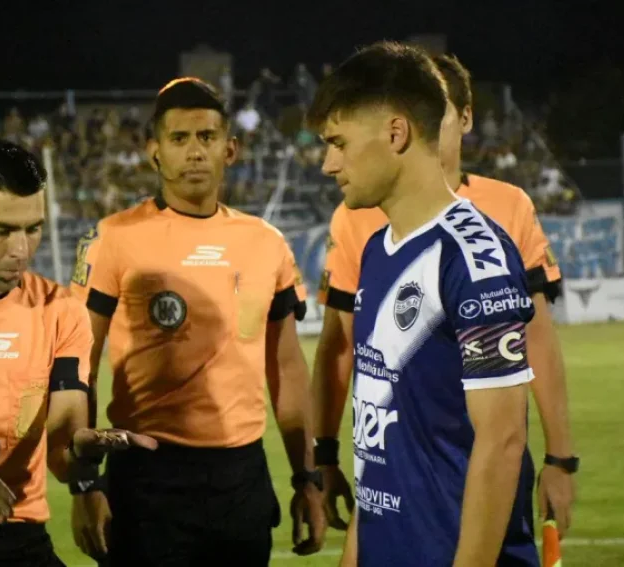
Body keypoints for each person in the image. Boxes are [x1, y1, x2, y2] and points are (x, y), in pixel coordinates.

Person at [311, 52, 577, 538]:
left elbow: (504, 429)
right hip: (389, 519)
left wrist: (560, 456)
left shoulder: (481, 246)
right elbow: (351, 368)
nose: (329, 165)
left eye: (338, 143)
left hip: (455, 517)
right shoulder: (373, 240)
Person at [69, 77, 327, 566]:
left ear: (230, 149)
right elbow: (79, 364)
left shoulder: (266, 243)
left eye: (206, 137)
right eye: (179, 138)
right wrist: (85, 480)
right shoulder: (113, 238)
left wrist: (308, 478)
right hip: (146, 477)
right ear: (154, 151)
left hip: (242, 477)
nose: (194, 152)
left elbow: (287, 368)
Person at [0, 139, 155, 567]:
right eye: (2, 230)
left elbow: (64, 447)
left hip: (18, 533)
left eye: (32, 229)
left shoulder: (60, 310)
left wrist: (82, 454)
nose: (21, 250)